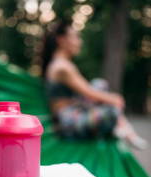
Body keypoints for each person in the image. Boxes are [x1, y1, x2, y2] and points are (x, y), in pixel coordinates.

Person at [41, 20, 147, 149]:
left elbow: (89, 91)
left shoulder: (62, 64)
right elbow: (89, 93)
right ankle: (125, 130)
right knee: (112, 110)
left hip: (75, 111)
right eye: (75, 37)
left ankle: (123, 129)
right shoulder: (61, 67)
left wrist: (112, 99)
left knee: (99, 84)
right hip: (68, 122)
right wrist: (115, 99)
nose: (79, 42)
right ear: (61, 40)